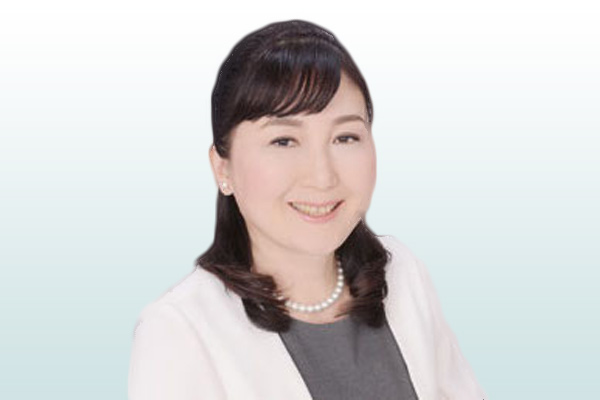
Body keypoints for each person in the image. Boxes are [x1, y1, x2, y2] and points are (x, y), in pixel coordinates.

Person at [128, 19, 487, 400]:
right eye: (284, 141)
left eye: (345, 137)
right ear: (222, 168)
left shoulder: (401, 273)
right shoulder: (179, 331)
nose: (322, 176)